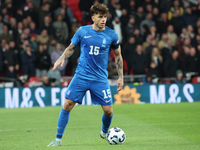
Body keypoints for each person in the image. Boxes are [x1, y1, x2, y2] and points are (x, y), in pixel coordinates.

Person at [47, 3, 123, 147]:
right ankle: (58, 139)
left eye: (105, 17)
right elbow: (71, 48)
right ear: (93, 18)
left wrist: (121, 77)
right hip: (81, 76)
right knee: (67, 104)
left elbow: (118, 56)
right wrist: (61, 58)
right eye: (100, 17)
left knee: (108, 111)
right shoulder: (82, 31)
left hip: (100, 79)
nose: (103, 20)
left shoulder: (111, 34)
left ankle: (104, 132)